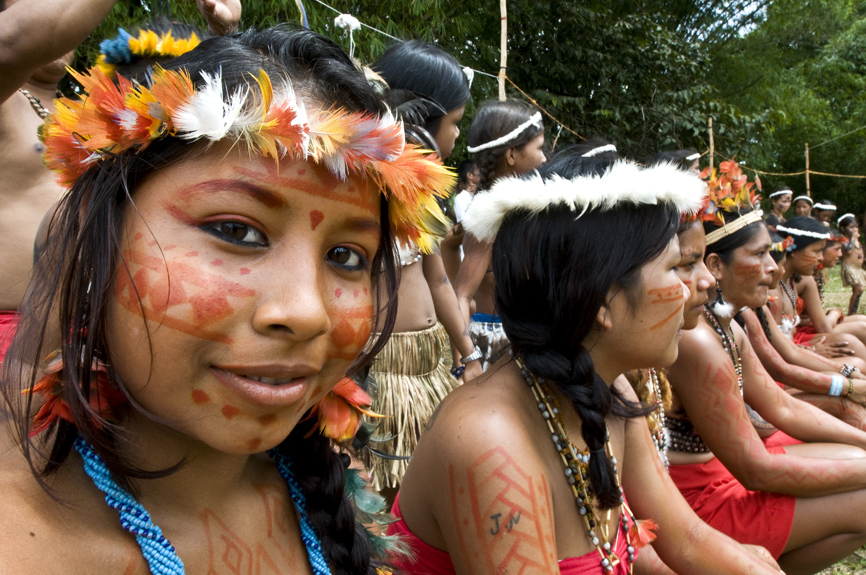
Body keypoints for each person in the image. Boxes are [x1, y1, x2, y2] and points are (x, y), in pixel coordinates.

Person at [0, 27, 454, 573]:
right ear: (100, 237)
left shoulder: (328, 491)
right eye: (237, 231)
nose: (307, 313)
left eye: (346, 256)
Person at [388, 151, 783, 575]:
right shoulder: (488, 442)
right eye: (676, 268)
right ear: (601, 300)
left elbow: (686, 540)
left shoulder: (610, 388)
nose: (691, 290)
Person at [0, 0, 240, 363]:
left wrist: (224, 33)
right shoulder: (5, 102)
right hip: (14, 339)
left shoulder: (91, 116)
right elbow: (12, 45)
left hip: (95, 341)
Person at [667, 162, 866, 574]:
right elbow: (756, 468)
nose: (775, 269)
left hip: (725, 474)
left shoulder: (724, 322)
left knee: (853, 453)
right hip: (700, 502)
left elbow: (780, 403)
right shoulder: (697, 338)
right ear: (717, 267)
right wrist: (843, 387)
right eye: (760, 255)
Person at [365, 40, 480, 497]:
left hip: (430, 367)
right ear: (419, 120)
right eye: (454, 123)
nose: (457, 137)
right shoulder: (362, 189)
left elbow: (439, 282)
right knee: (385, 491)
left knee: (434, 484)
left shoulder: (423, 193)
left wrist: (466, 353)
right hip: (381, 370)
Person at [453, 101, 547, 370]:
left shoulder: (522, 211)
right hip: (498, 347)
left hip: (527, 339)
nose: (544, 159)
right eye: (539, 148)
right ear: (512, 155)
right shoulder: (488, 216)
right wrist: (465, 363)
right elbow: (461, 295)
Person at [839, 213, 866, 316]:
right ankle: (851, 313)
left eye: (856, 227)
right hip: (850, 268)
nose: (854, 230)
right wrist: (853, 239)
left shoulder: (856, 240)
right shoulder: (843, 239)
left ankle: (853, 312)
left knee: (858, 290)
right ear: (843, 228)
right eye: (851, 227)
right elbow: (848, 250)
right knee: (859, 288)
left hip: (858, 268)